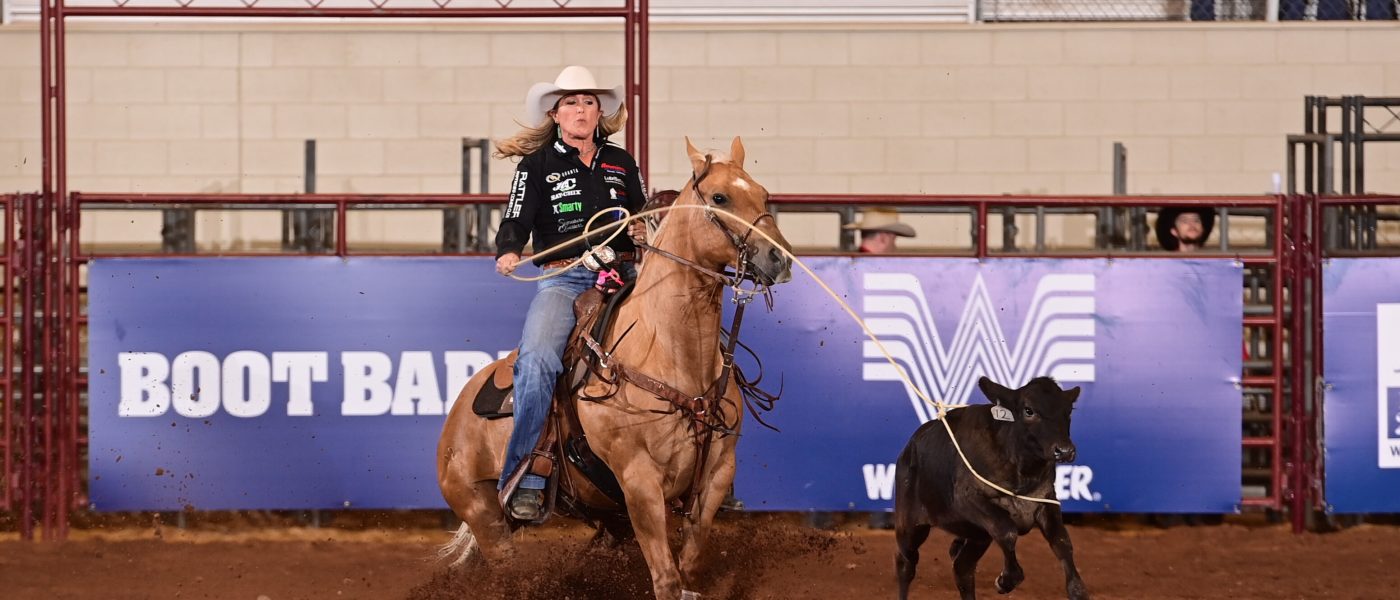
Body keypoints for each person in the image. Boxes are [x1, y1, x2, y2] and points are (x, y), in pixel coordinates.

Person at [493, 65, 648, 521]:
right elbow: (515, 219)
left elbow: (638, 213)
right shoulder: (536, 165)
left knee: (695, 340)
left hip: (625, 276)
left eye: (588, 102)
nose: (581, 110)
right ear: (556, 114)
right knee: (538, 359)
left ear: (600, 112)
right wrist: (508, 250)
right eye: (571, 103)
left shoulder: (622, 162)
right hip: (565, 278)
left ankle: (708, 468)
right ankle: (528, 475)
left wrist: (641, 229)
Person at [843, 207, 916, 253]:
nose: (895, 247)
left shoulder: (849, 263)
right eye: (893, 240)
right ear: (883, 239)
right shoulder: (883, 268)